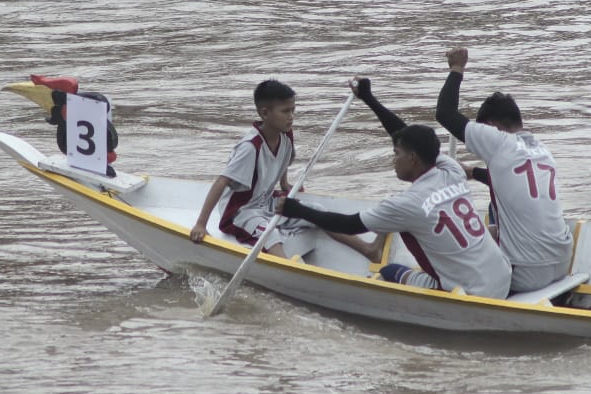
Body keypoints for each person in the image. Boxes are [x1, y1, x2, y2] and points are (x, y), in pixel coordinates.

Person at [276, 78, 512, 298]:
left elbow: (347, 224)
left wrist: (297, 209)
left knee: (390, 272)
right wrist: (369, 98)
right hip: (502, 275)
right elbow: (406, 136)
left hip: (474, 293)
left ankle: (388, 266)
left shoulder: (409, 203)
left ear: (412, 159)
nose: (393, 160)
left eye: (395, 154)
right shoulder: (451, 171)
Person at [189, 79, 379, 261]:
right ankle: (290, 272)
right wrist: (201, 223)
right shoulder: (250, 147)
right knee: (269, 234)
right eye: (285, 111)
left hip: (267, 202)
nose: (291, 116)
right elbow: (221, 182)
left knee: (316, 211)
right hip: (242, 212)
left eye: (293, 110)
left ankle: (367, 250)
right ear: (265, 113)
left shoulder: (285, 134)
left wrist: (284, 183)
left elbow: (283, 159)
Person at [434, 47, 573, 293]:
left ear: (492, 126)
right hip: (562, 263)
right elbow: (513, 183)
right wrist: (472, 172)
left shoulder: (498, 140)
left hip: (525, 273)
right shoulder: (541, 149)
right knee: (494, 206)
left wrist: (457, 69)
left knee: (452, 254)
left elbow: (445, 114)